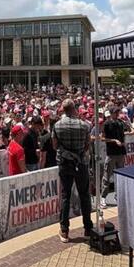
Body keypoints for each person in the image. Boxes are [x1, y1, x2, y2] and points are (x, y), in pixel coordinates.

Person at [52, 99, 93, 243]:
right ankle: (88, 228)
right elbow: (87, 145)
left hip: (65, 163)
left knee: (65, 196)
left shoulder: (57, 125)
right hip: (81, 163)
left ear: (63, 110)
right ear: (74, 109)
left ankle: (64, 231)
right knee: (84, 195)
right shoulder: (84, 125)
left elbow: (55, 146)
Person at [101, 106, 126, 209]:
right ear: (111, 113)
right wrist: (114, 140)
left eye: (118, 112)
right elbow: (103, 138)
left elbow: (123, 135)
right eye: (115, 112)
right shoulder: (106, 124)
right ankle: (103, 198)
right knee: (107, 176)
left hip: (120, 153)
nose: (117, 114)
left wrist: (122, 142)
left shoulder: (120, 123)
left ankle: (118, 195)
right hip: (111, 153)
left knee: (119, 176)